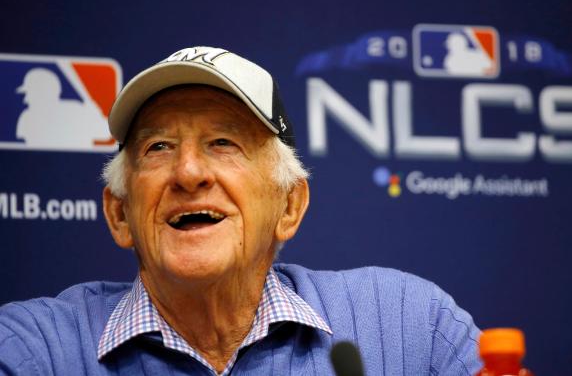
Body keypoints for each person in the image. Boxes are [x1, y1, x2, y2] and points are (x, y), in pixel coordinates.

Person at [0, 46, 482, 375]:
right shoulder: (33, 350)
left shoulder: (412, 328)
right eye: (159, 147)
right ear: (120, 214)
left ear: (289, 205)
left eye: (223, 143)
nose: (188, 173)